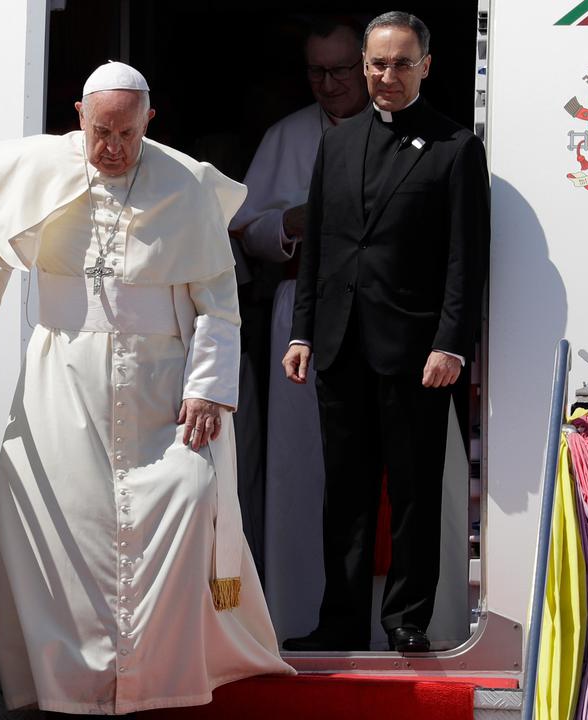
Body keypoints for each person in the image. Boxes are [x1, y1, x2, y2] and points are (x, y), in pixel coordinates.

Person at [0, 61, 293, 714]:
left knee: (187, 497)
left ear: (148, 121)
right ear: (79, 115)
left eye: (128, 133)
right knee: (34, 515)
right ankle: (70, 688)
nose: (113, 149)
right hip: (60, 384)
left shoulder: (184, 186)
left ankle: (158, 683)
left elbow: (218, 300)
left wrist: (208, 388)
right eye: (102, 132)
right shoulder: (40, 167)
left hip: (161, 389)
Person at [282, 12, 489, 653]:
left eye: (401, 63)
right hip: (341, 346)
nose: (385, 76)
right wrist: (301, 332)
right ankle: (340, 621)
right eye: (376, 63)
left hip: (416, 352)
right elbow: (318, 247)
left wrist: (451, 342)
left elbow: (466, 257)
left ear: (426, 65)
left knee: (413, 492)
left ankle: (407, 620)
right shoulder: (337, 144)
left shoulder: (456, 148)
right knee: (343, 494)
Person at [229, 18, 369, 642]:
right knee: (298, 465)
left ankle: (382, 623)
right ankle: (294, 613)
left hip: (381, 315)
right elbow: (244, 226)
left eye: (342, 70)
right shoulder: (286, 135)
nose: (330, 84)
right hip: (299, 309)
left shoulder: (413, 136)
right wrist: (292, 221)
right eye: (318, 72)